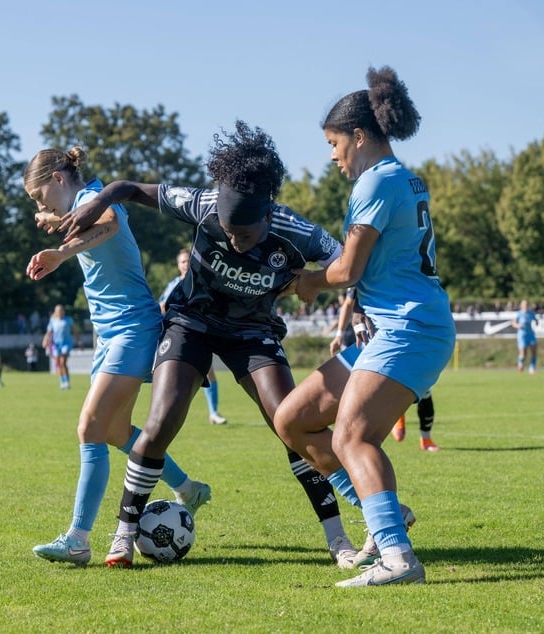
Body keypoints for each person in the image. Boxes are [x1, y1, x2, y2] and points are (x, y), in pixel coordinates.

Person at [58, 120, 364, 569]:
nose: (236, 242)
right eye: (228, 232)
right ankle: (122, 537)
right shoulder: (202, 204)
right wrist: (97, 202)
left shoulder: (298, 232)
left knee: (289, 424)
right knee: (160, 420)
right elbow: (127, 188)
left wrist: (319, 282)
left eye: (246, 234)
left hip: (252, 333)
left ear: (267, 215)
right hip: (191, 322)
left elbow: (350, 267)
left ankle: (339, 540)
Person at [274, 66, 456, 587]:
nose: (332, 156)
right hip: (390, 330)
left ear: (359, 137)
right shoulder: (401, 177)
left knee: (353, 436)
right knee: (293, 419)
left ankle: (397, 559)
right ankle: (388, 516)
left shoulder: (376, 180)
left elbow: (349, 269)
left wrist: (305, 281)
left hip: (409, 328)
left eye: (334, 144)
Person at [23, 145, 210, 566]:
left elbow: (107, 223)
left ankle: (78, 538)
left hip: (133, 329)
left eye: (39, 197)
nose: (40, 205)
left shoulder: (94, 199)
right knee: (113, 429)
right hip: (111, 334)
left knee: (90, 426)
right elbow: (90, 224)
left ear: (56, 180)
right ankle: (187, 488)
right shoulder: (80, 205)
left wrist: (61, 253)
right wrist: (55, 222)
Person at [331, 288, 441, 452]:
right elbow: (348, 303)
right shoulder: (363, 270)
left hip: (407, 337)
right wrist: (339, 333)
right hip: (374, 341)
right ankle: (361, 434)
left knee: (425, 391)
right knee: (361, 390)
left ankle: (425, 439)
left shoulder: (406, 276)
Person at [158, 248, 227, 425]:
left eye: (188, 260)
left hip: (200, 333)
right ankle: (168, 413)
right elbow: (162, 306)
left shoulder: (202, 281)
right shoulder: (173, 285)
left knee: (209, 372)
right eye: (182, 261)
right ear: (178, 265)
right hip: (178, 335)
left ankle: (213, 412)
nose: (186, 264)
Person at [43, 304, 75, 390]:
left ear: (63, 311)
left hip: (66, 344)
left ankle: (67, 382)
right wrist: (45, 340)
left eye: (61, 310)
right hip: (56, 345)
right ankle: (62, 382)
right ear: (56, 312)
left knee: (63, 362)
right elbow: (49, 332)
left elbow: (75, 331)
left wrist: (79, 342)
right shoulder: (53, 321)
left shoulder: (68, 320)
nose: (60, 312)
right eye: (58, 311)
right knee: (58, 364)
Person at [512, 299, 539, 374]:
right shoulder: (519, 314)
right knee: (523, 354)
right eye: (524, 304)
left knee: (534, 351)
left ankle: (532, 368)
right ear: (521, 306)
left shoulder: (531, 313)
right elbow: (513, 323)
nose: (525, 306)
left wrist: (536, 322)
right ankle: (520, 364)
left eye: (526, 304)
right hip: (522, 335)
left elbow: (535, 320)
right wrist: (518, 325)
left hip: (530, 334)